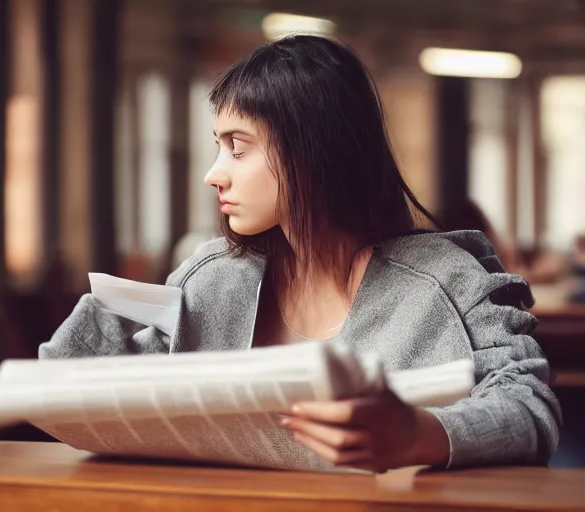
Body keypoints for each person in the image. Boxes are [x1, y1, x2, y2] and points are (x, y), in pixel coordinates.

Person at [39, 35, 561, 471]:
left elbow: (530, 406)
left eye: (238, 148)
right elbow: (100, 395)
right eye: (218, 147)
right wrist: (109, 315)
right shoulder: (209, 279)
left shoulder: (446, 281)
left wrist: (419, 434)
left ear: (312, 152)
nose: (213, 173)